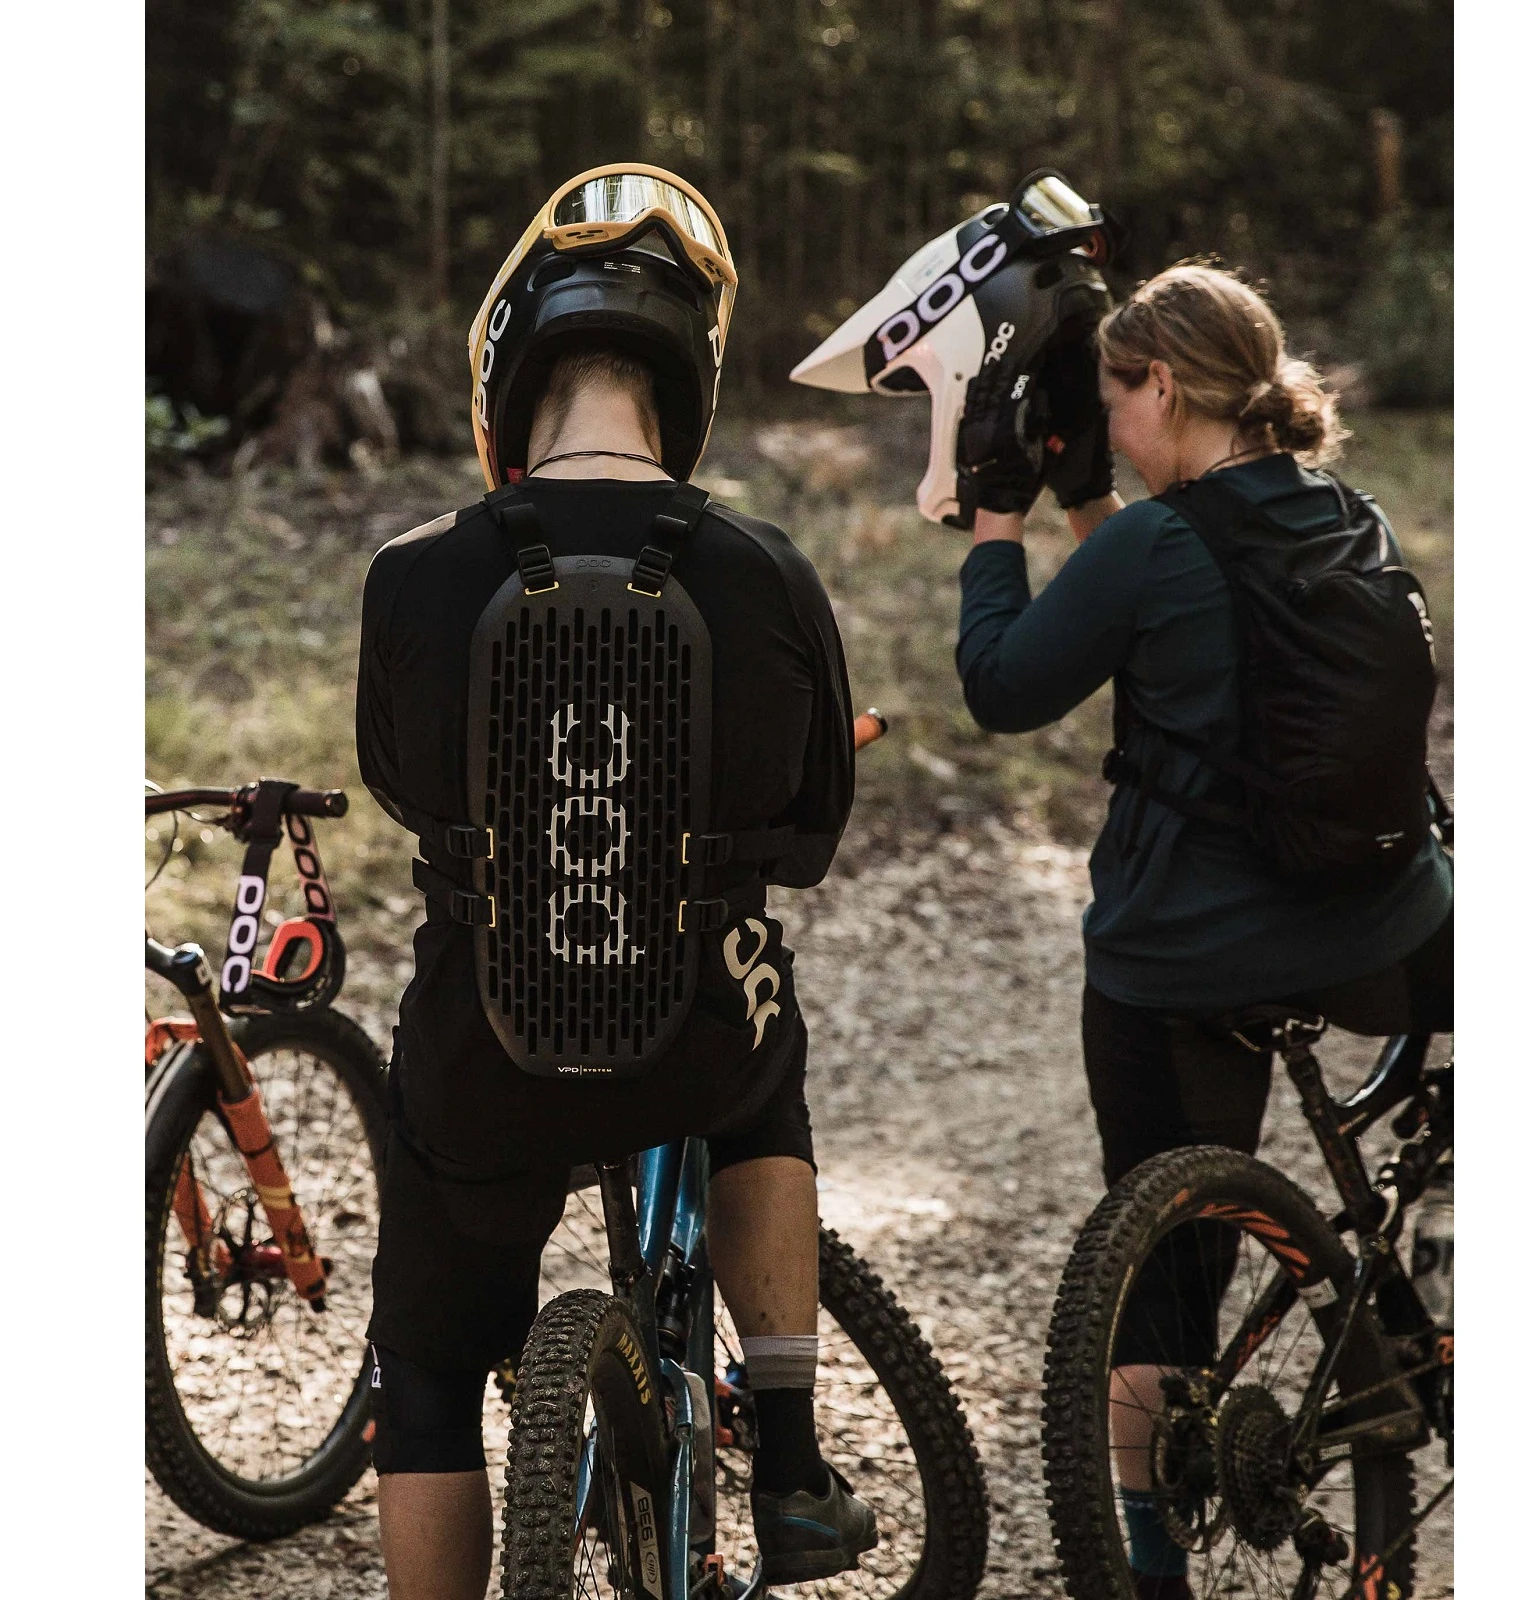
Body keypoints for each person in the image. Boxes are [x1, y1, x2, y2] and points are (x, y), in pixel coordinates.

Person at [356, 165, 876, 1599]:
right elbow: (809, 836)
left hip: (484, 1056)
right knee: (768, 1077)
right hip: (694, 1046)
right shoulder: (767, 573)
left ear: (511, 376)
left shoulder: (411, 575)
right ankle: (788, 1463)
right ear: (686, 385)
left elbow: (402, 785)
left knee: (427, 1381)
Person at [952, 262, 1452, 1600]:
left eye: (1116, 401)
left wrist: (998, 521)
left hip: (1191, 963)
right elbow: (1184, 588)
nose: (1111, 428)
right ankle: (1429, 1252)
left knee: (1167, 1277)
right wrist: (1090, 506)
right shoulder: (1348, 514)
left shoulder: (1150, 548)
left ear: (1163, 386)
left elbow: (1003, 687)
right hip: (1381, 934)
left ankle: (1153, 1560)